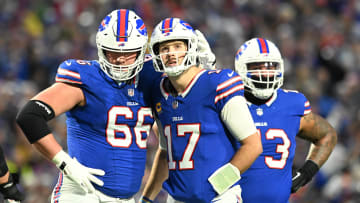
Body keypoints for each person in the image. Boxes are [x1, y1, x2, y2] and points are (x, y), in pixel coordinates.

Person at [16, 9, 161, 203]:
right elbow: (30, 116)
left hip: (126, 199)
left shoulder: (151, 78)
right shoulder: (87, 78)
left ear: (142, 51)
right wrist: (65, 162)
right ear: (101, 49)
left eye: (127, 53)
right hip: (81, 194)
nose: (119, 59)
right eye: (113, 51)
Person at [140, 18, 262, 203]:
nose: (172, 53)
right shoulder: (159, 93)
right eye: (165, 49)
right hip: (178, 197)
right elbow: (166, 153)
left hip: (219, 198)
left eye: (178, 46)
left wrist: (218, 185)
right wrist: (146, 199)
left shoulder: (217, 84)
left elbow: (253, 145)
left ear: (191, 47)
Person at [234, 38, 338, 203]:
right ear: (241, 68)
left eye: (270, 67)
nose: (264, 73)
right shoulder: (228, 103)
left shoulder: (292, 103)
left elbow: (328, 135)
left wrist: (306, 173)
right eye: (257, 67)